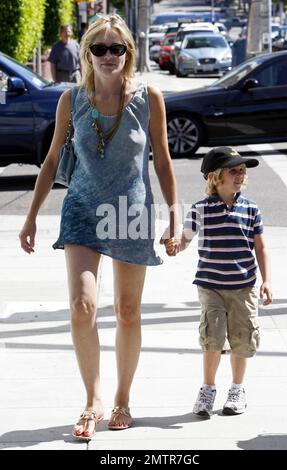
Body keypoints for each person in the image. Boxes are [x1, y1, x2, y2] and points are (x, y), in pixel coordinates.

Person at [19, 14, 179, 439]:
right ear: (87, 53)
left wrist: (175, 213)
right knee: (82, 306)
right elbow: (52, 161)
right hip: (83, 209)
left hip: (132, 211)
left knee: (128, 312)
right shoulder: (72, 100)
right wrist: (31, 215)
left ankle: (123, 399)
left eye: (117, 48)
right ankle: (93, 399)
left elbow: (162, 160)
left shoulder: (150, 98)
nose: (109, 56)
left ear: (129, 51)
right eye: (99, 48)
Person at [164, 146, 272, 418]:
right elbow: (186, 238)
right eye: (233, 171)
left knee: (243, 337)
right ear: (215, 177)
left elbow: (260, 247)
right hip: (210, 284)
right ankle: (208, 388)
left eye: (242, 171)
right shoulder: (201, 209)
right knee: (212, 336)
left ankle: (237, 389)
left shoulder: (251, 209)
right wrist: (176, 244)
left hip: (244, 285)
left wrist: (267, 280)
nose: (240, 175)